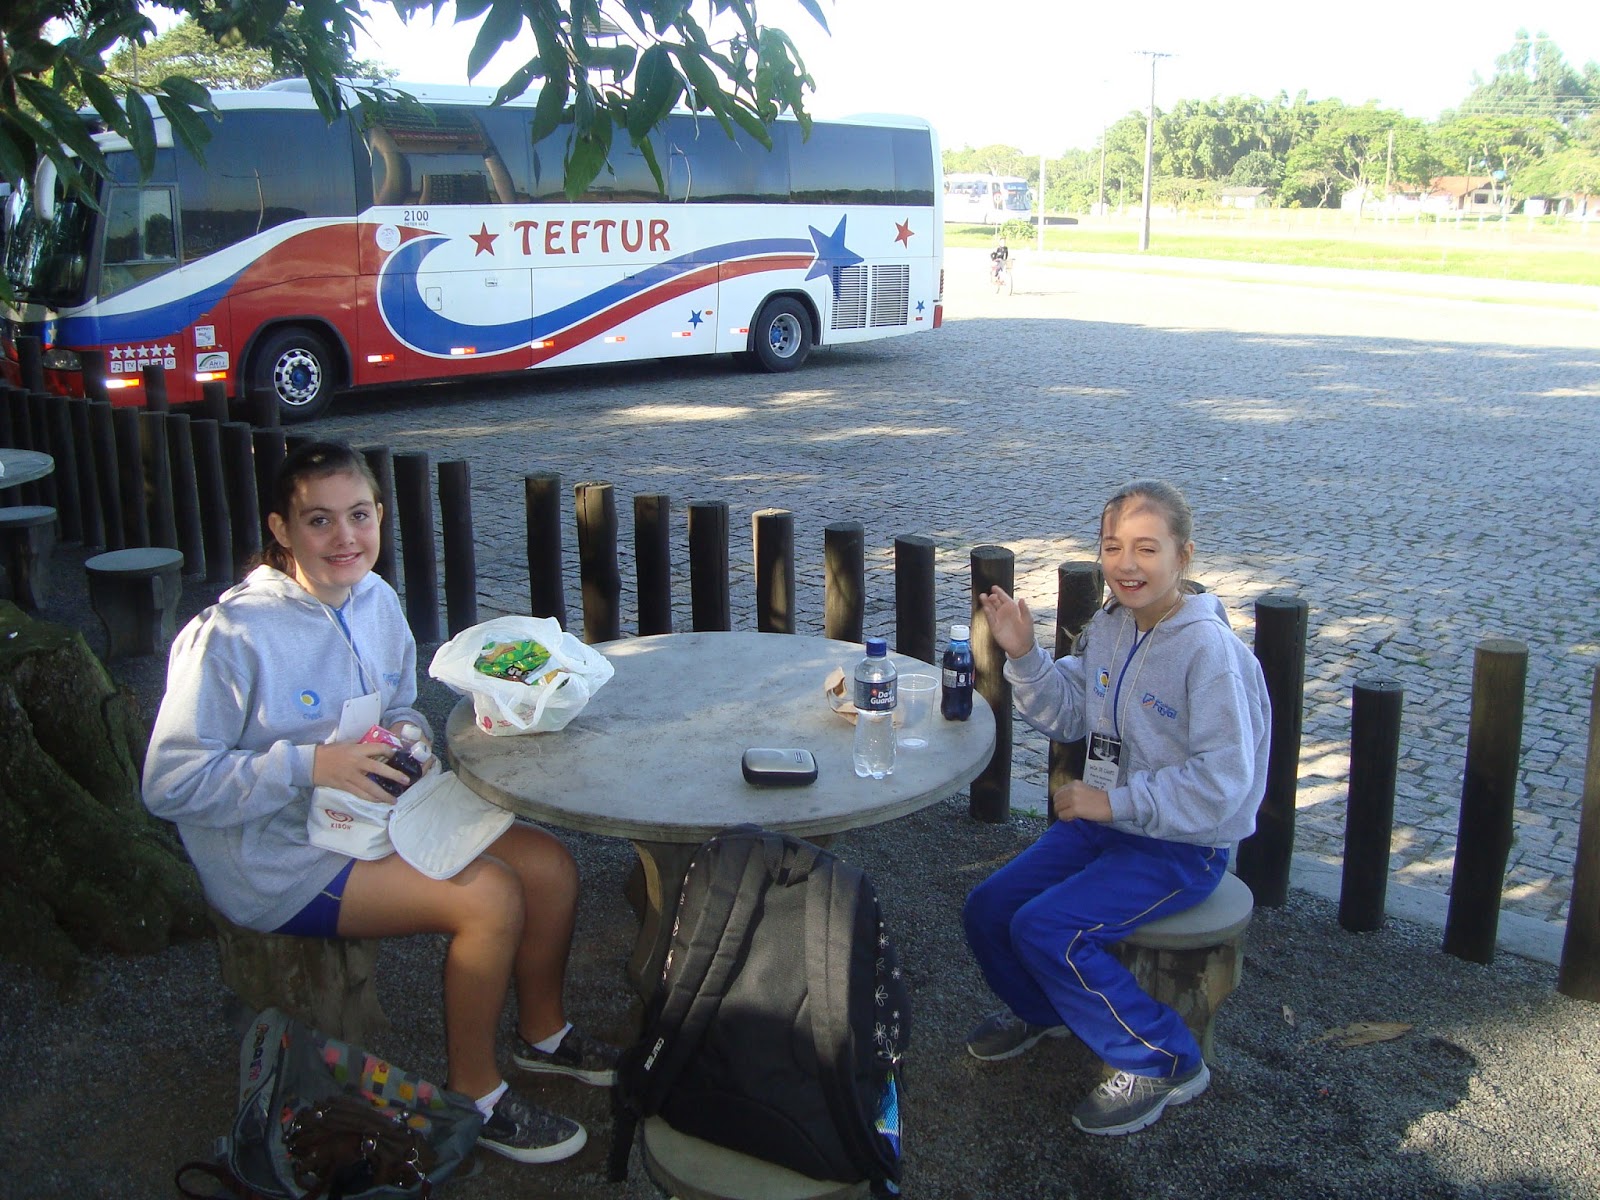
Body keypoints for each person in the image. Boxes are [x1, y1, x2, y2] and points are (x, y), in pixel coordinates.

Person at [143, 441, 615, 1165]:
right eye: (319, 521)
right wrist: (311, 766)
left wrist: (407, 732)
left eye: (358, 516)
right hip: (280, 856)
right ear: (281, 529)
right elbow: (169, 783)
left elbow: (398, 703)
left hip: (375, 811)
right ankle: (477, 1096)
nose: (345, 538)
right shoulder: (230, 637)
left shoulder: (376, 599)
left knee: (549, 866)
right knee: (489, 898)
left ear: (380, 516)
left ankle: (543, 1035)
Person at [961, 479, 1270, 1136]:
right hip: (1111, 825)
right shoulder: (1110, 626)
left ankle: (1164, 1058)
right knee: (988, 908)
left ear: (1183, 556)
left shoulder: (1209, 653)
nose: (1127, 564)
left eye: (1146, 549)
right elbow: (1071, 714)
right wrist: (1024, 654)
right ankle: (1047, 1011)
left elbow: (1224, 783)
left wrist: (1113, 801)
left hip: (1183, 846)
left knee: (1048, 928)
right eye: (1112, 547)